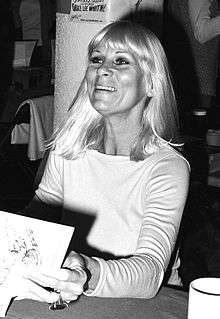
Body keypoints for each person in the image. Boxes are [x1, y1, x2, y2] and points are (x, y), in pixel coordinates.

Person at [18, 21, 190, 304]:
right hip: (69, 291)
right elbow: (42, 209)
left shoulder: (166, 166)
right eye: (97, 59)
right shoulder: (70, 146)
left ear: (150, 83)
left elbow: (151, 271)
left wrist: (86, 271)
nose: (102, 69)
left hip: (146, 303)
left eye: (121, 61)